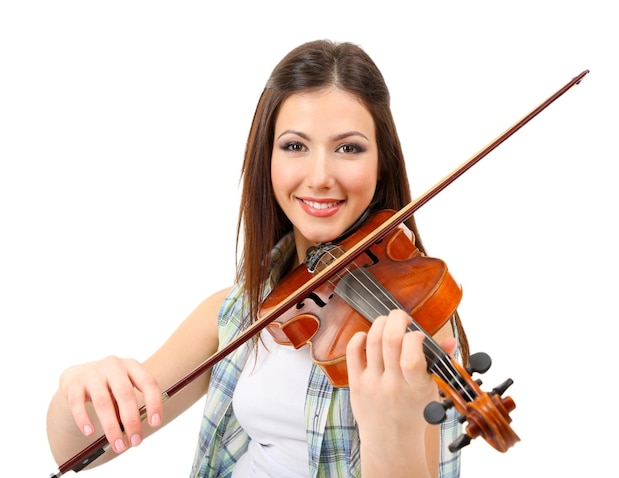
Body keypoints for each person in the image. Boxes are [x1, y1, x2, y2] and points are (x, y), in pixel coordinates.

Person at [46, 39, 470, 478]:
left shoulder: (417, 316)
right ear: (266, 159)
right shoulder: (238, 312)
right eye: (294, 146)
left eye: (348, 148)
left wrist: (390, 435)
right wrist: (76, 390)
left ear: (382, 162)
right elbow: (79, 450)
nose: (320, 177)